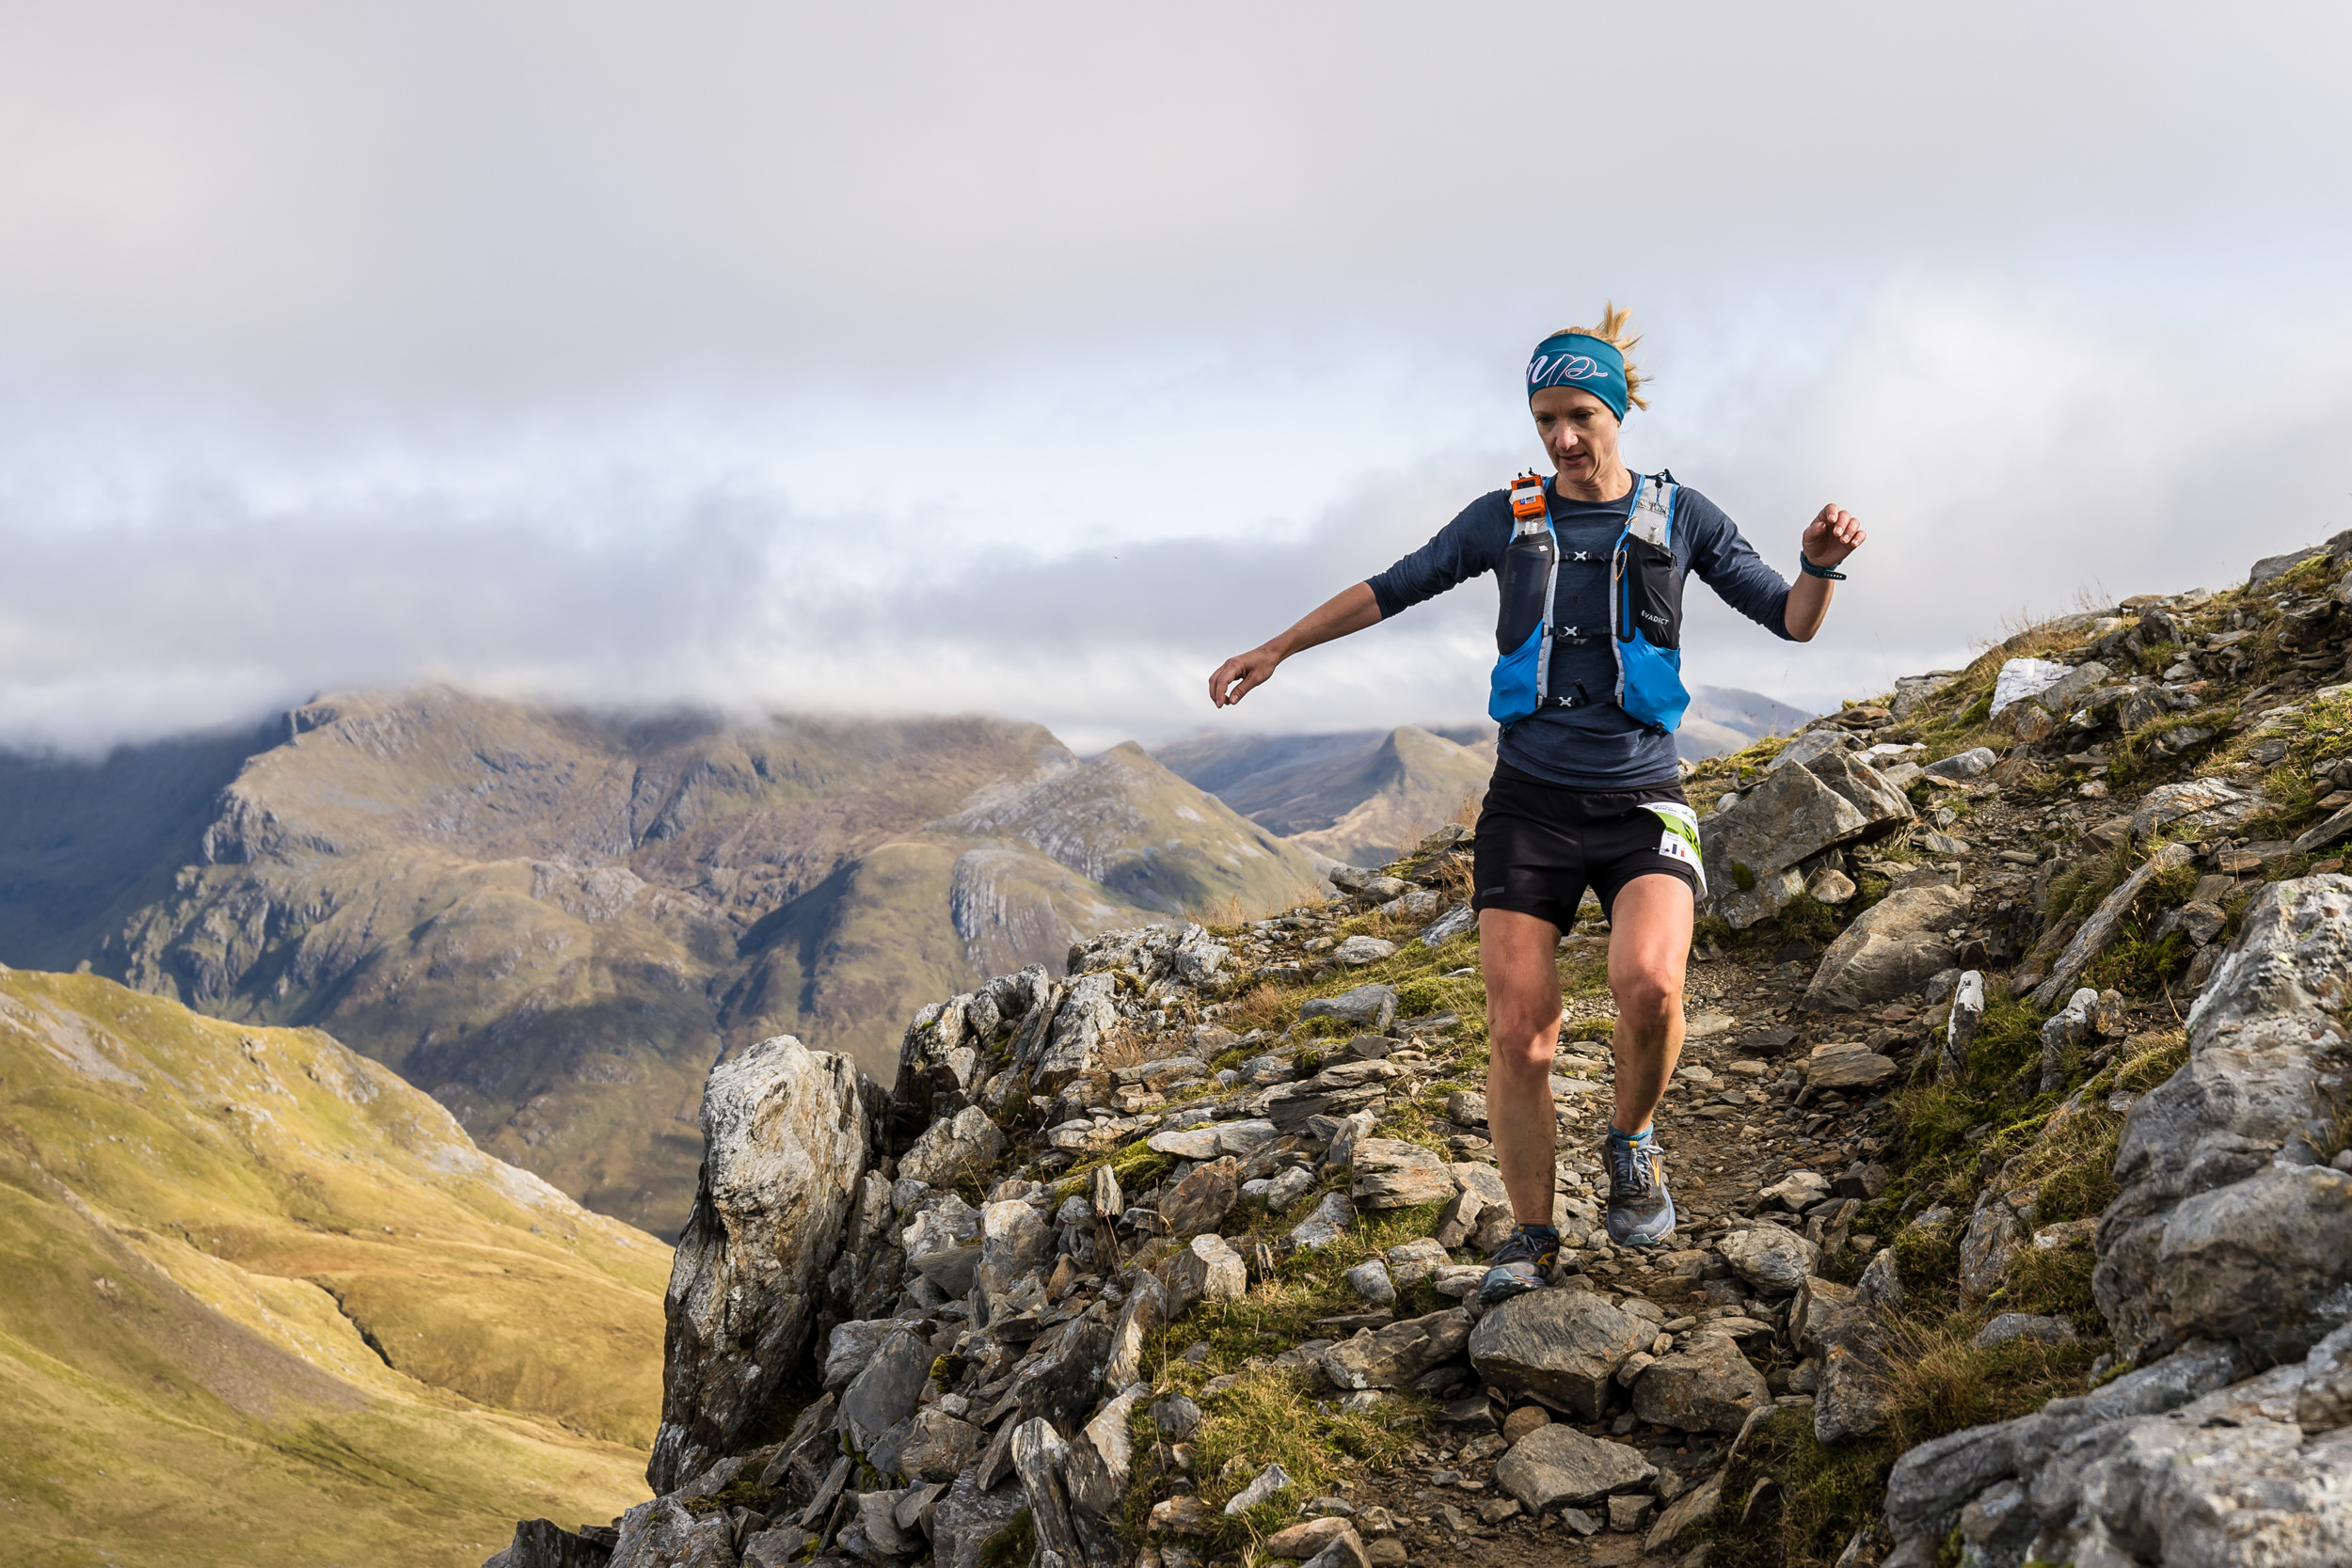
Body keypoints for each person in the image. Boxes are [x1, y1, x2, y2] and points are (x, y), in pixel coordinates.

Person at [1207, 305, 1864, 1303]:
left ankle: (1631, 1141)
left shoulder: (1682, 516)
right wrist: (1277, 647)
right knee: (1523, 1030)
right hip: (1528, 801)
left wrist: (1817, 563)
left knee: (1649, 988)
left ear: (1616, 410)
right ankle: (1528, 1233)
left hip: (1643, 792)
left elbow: (1791, 620)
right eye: (1544, 418)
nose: (1561, 439)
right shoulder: (1505, 519)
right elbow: (1392, 585)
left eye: (1579, 417)